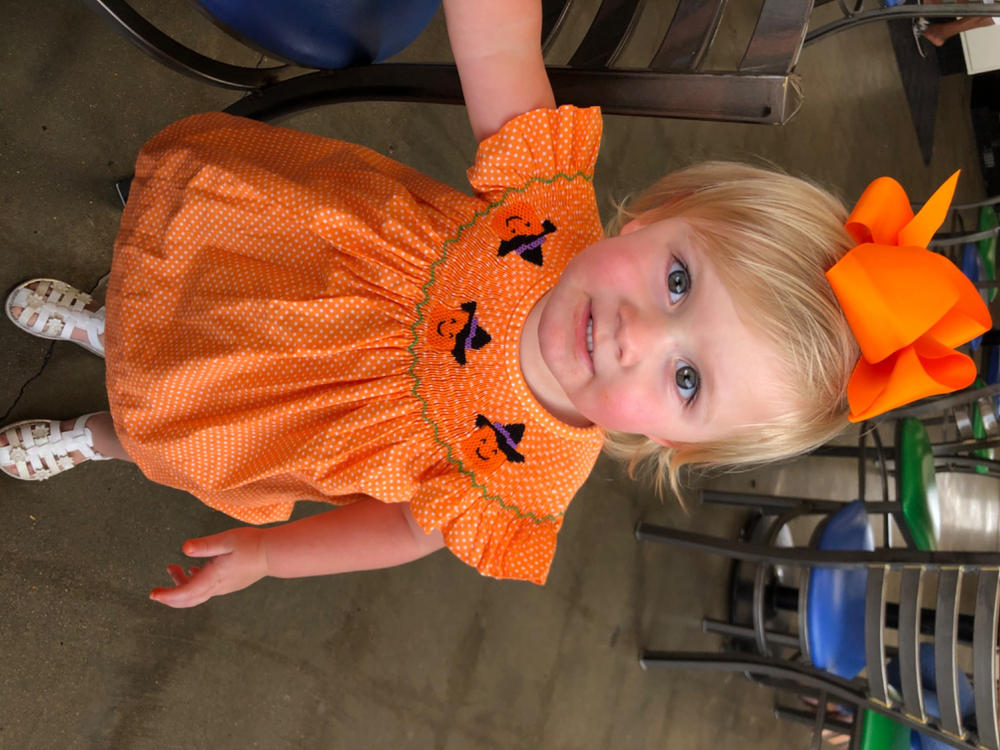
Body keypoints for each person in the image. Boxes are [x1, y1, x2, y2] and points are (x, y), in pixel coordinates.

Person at [1, 0, 991, 608]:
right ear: (657, 211)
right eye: (678, 280)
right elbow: (499, 36)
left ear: (674, 449)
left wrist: (270, 557)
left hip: (269, 415)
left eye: (686, 379)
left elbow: (396, 533)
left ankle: (93, 434)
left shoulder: (527, 484)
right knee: (165, 302)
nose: (636, 336)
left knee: (166, 425)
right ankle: (101, 321)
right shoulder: (545, 197)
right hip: (267, 262)